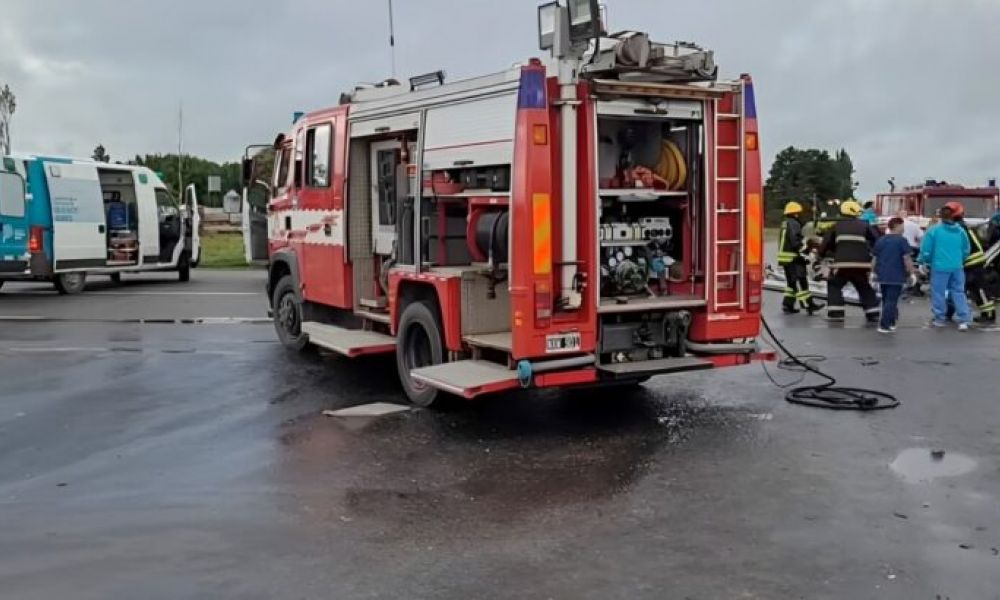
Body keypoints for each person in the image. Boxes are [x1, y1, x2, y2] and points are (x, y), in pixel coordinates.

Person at [818, 200, 880, 323]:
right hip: (862, 264)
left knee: (834, 284)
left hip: (842, 264)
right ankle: (873, 313)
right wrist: (872, 254)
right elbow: (877, 240)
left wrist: (822, 256)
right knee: (864, 286)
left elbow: (825, 245)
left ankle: (836, 313)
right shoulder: (865, 225)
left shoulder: (836, 226)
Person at [918, 205, 972, 330]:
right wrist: (960, 260)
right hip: (957, 266)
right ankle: (964, 319)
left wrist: (923, 261)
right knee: (959, 292)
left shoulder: (934, 231)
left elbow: (926, 250)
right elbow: (966, 249)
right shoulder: (961, 231)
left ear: (940, 216)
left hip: (939, 266)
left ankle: (939, 319)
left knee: (938, 293)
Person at [950, 202, 995, 323]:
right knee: (975, 289)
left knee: (978, 289)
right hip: (973, 261)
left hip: (972, 262)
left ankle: (989, 315)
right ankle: (987, 314)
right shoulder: (962, 226)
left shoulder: (956, 228)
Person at [777, 201, 824, 315]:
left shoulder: (785, 223)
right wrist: (805, 252)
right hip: (792, 258)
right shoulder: (794, 224)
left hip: (785, 258)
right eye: (798, 213)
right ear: (795, 213)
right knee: (800, 282)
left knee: (791, 284)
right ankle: (809, 305)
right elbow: (795, 241)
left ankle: (788, 305)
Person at [872, 217, 916, 333]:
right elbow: (906, 258)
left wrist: (872, 272)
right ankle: (884, 325)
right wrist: (912, 273)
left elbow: (875, 258)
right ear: (897, 226)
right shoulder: (902, 240)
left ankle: (891, 323)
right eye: (902, 226)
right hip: (896, 275)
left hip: (882, 274)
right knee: (892, 301)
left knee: (886, 300)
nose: (903, 228)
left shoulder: (880, 240)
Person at [899, 210, 925, 296]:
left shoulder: (893, 224)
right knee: (914, 267)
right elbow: (921, 237)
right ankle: (916, 288)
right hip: (912, 248)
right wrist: (920, 246)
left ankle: (899, 287)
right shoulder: (914, 225)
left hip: (898, 248)